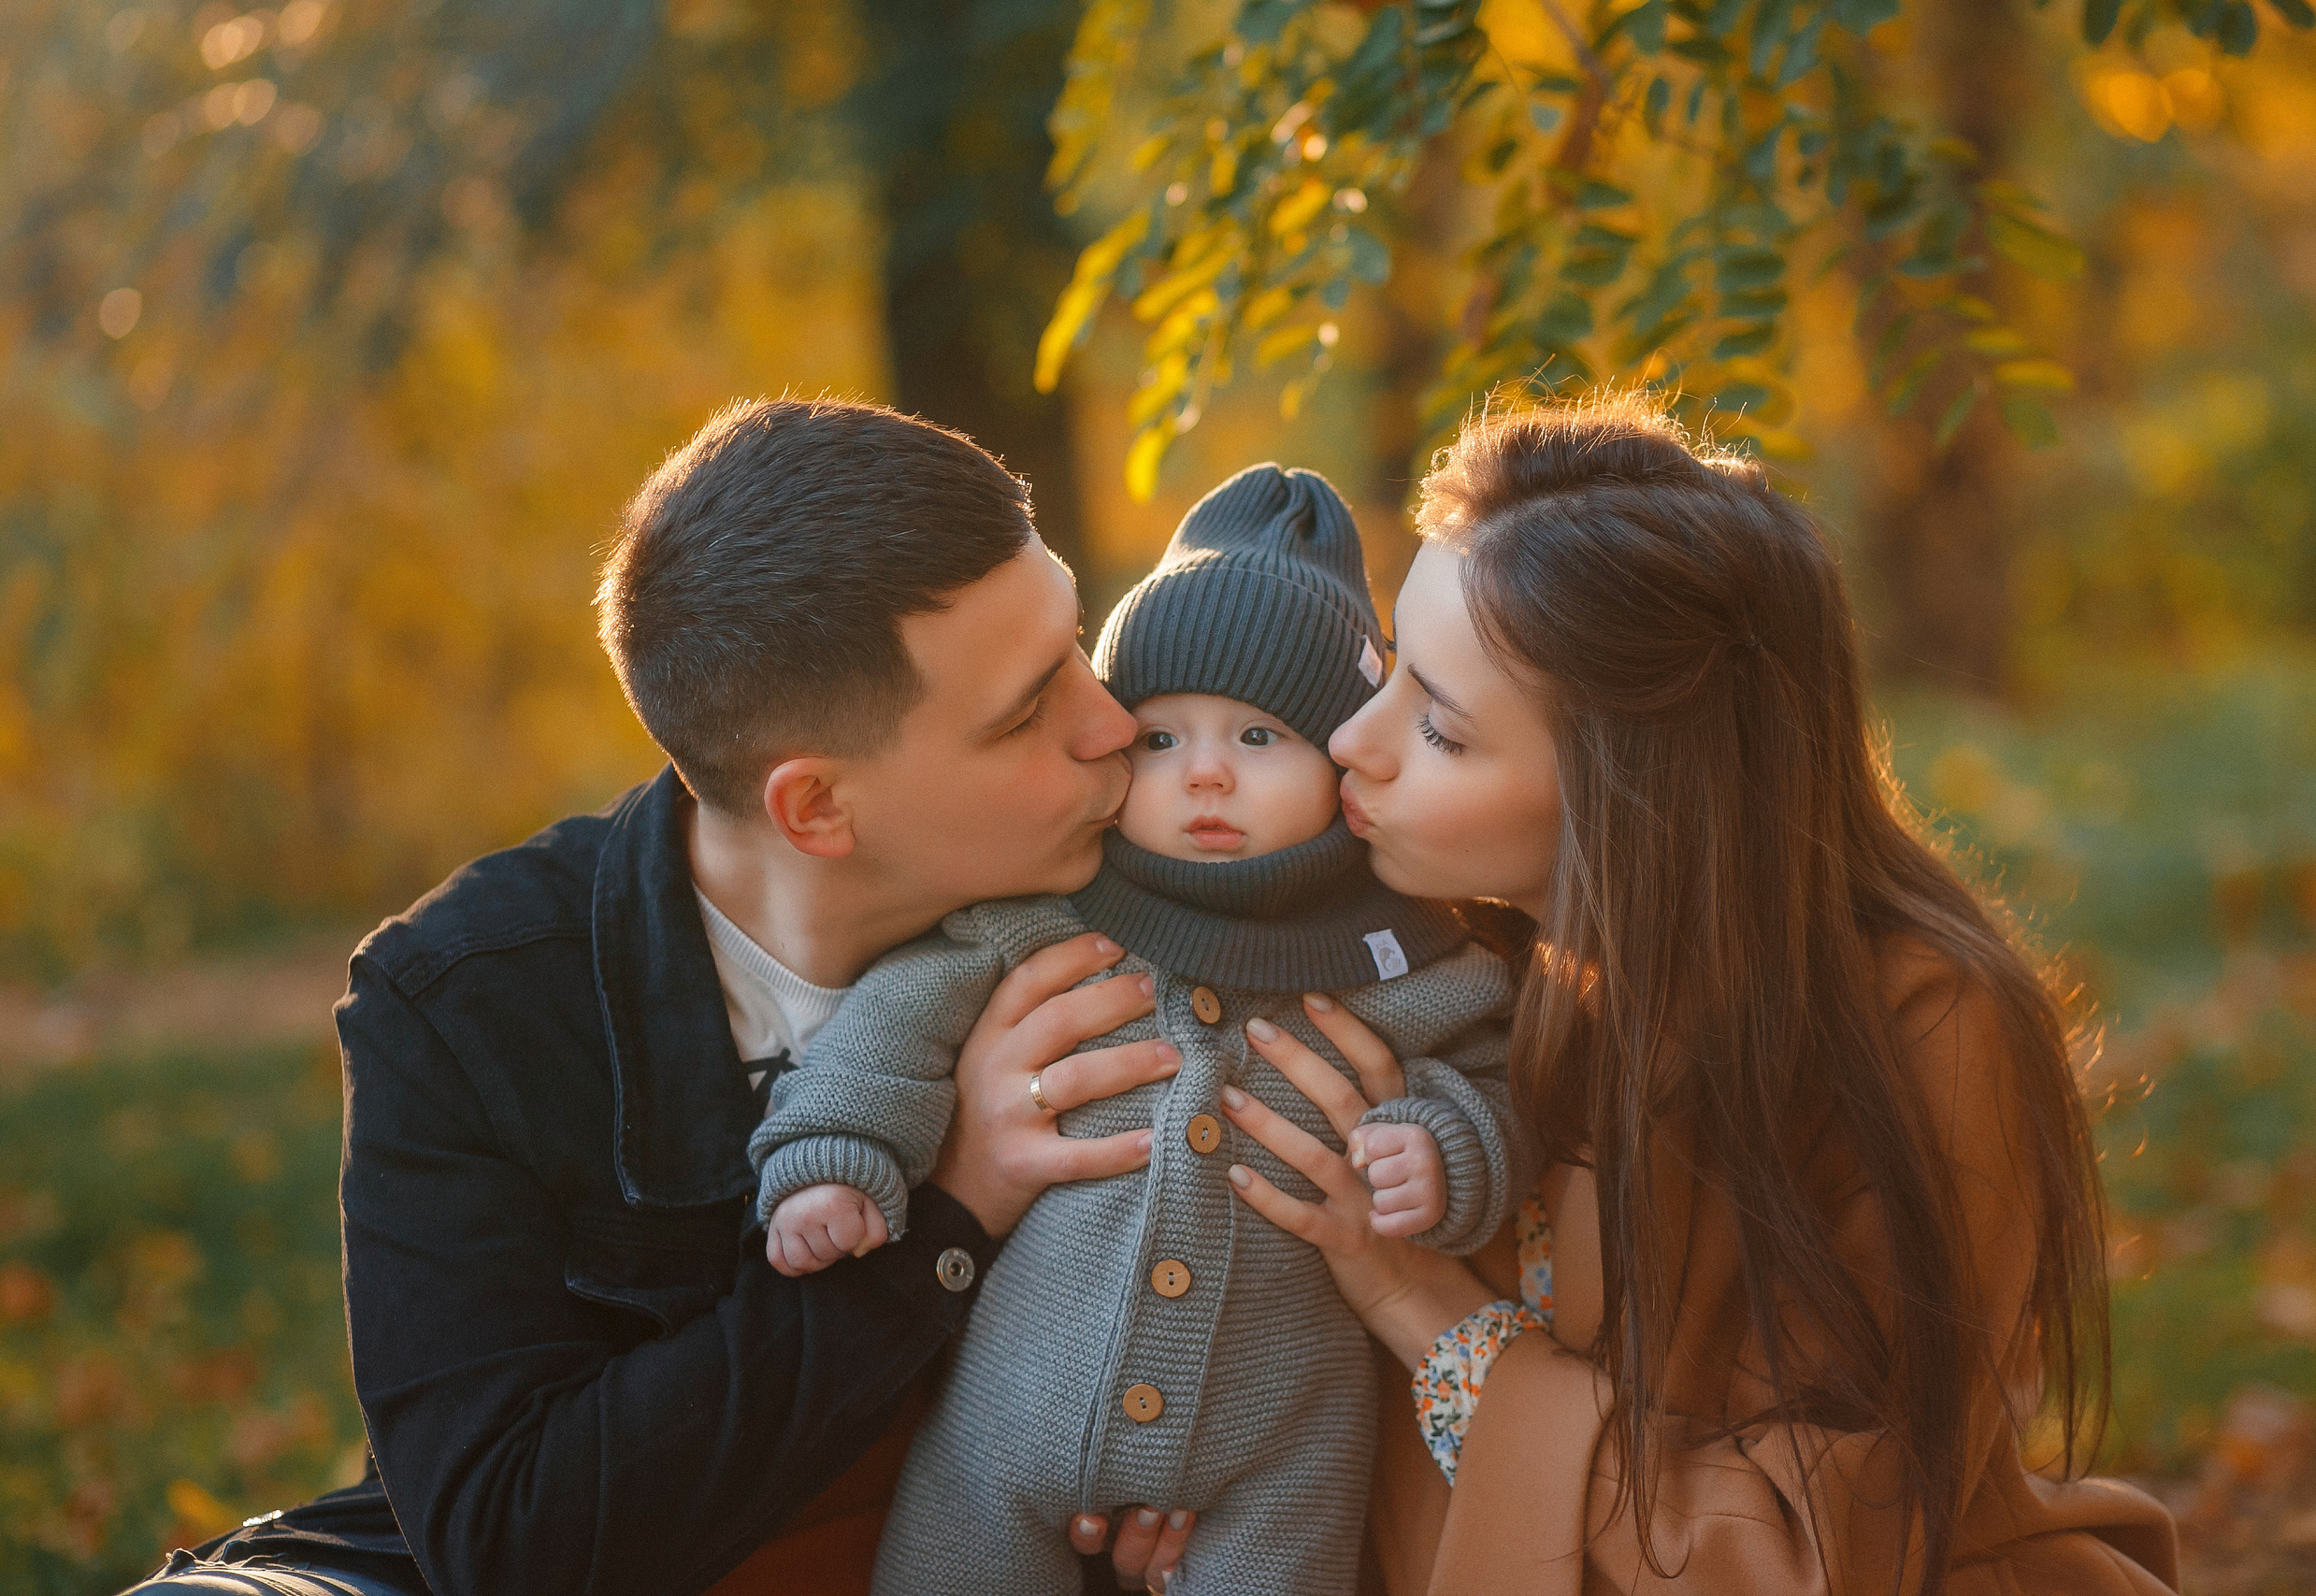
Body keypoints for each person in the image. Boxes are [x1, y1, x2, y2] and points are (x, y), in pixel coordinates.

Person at [123, 397, 1193, 1596]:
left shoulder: (1194, 877)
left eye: (1078, 643)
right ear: (816, 809)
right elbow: (509, 1542)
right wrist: (948, 1211)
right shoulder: (468, 1003)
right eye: (1027, 709)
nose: (1116, 726)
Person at [1211, 395, 2182, 1595]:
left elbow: (1802, 1562)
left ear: (1639, 794)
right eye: (1392, 669)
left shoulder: (1925, 1032)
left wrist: (1427, 1312)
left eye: (1443, 729)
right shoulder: (1456, 961)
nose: (1355, 742)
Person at [746, 463, 1518, 1596]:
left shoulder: (1400, 954)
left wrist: (1443, 1148)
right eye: (1160, 740)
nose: (1206, 773)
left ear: (1341, 764)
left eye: (1260, 741)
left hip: (1279, 1453)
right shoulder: (1047, 917)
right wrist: (837, 1157)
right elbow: (894, 1022)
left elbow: (1492, 1075)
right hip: (1003, 1425)